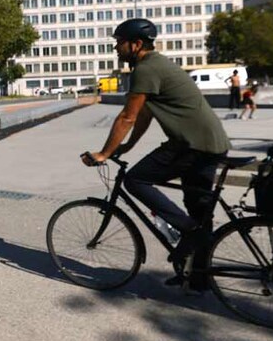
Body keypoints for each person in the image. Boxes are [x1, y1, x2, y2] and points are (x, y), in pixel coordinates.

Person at [81, 19, 230, 288]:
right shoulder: (158, 65)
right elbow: (145, 113)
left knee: (135, 180)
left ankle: (188, 231)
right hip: (210, 143)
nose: (116, 48)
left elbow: (127, 116)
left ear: (136, 44)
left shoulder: (146, 69)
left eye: (119, 42)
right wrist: (127, 146)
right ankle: (198, 279)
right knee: (199, 213)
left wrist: (104, 153)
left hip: (191, 146)